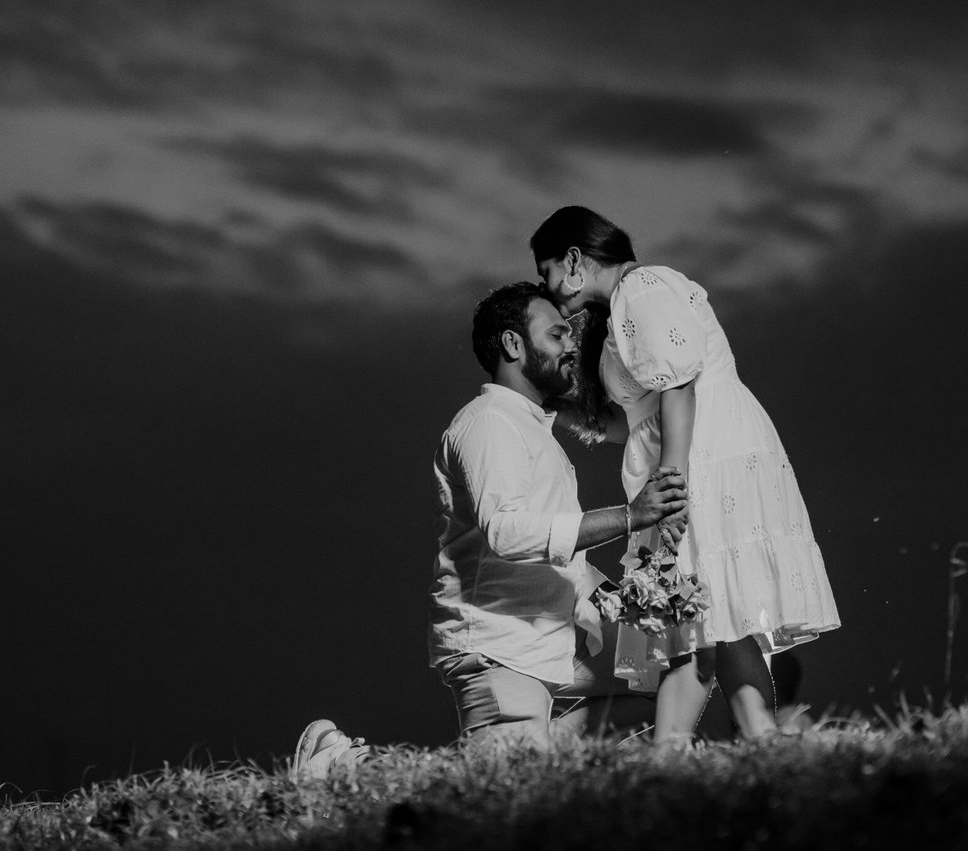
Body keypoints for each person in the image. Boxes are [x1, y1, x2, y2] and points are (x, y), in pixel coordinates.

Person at [295, 283, 689, 778]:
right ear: (513, 344)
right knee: (498, 791)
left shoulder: (532, 429)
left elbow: (558, 552)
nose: (571, 345)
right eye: (557, 334)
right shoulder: (488, 423)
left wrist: (622, 603)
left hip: (556, 635)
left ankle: (539, 757)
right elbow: (509, 533)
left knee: (670, 668)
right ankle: (343, 770)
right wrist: (632, 516)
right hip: (503, 646)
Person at [531, 206, 839, 743]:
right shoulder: (617, 313)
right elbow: (633, 422)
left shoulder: (644, 286)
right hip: (685, 458)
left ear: (574, 259)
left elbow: (679, 387)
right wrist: (549, 404)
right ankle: (762, 739)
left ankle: (670, 756)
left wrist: (671, 487)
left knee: (688, 622)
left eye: (548, 271)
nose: (548, 286)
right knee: (716, 619)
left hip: (705, 459)